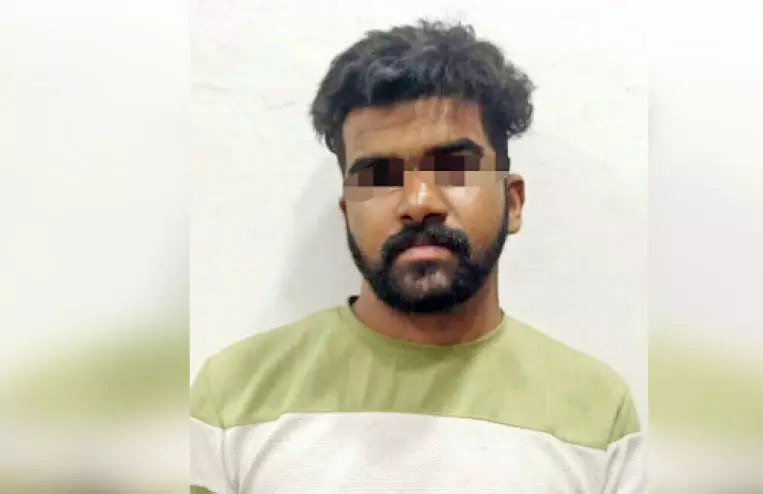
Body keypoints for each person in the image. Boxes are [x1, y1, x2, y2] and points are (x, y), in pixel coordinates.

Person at [191, 19, 645, 493]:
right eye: (379, 176)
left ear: (512, 203)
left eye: (454, 168)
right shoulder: (233, 400)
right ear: (348, 212)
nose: (419, 202)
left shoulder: (598, 415)